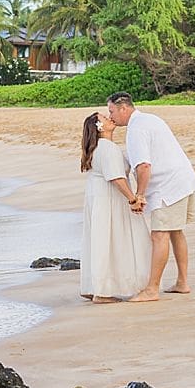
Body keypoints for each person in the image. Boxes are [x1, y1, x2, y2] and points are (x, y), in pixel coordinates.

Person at [106, 92, 195, 302]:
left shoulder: (136, 129)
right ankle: (182, 282)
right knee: (175, 231)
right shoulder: (149, 119)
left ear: (124, 108)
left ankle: (152, 289)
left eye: (111, 111)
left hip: (168, 185)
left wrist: (139, 194)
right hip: (182, 180)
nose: (110, 116)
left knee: (160, 235)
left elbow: (144, 166)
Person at [79, 112, 152, 303]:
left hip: (98, 196)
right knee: (111, 240)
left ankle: (93, 286)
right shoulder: (107, 148)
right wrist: (132, 199)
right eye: (104, 118)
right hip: (108, 198)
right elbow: (116, 177)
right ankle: (102, 291)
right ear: (99, 127)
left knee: (100, 239)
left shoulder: (98, 148)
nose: (109, 118)